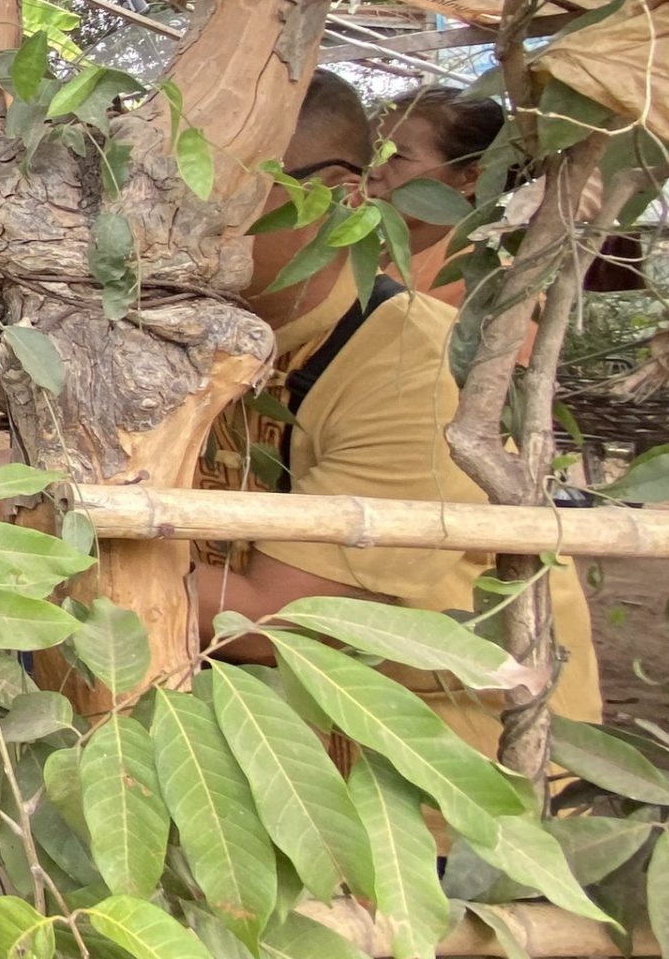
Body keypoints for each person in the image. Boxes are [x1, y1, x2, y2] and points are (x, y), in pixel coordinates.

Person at [197, 71, 603, 759]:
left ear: (335, 196)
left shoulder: (416, 370)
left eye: (210, 193)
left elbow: (285, 625)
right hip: (294, 737)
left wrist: (37, 532)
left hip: (442, 778)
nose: (166, 226)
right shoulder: (214, 334)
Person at [372, 84, 507, 307]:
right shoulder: (362, 256)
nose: (372, 171)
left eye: (396, 157)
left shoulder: (493, 292)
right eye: (371, 152)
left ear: (471, 177)